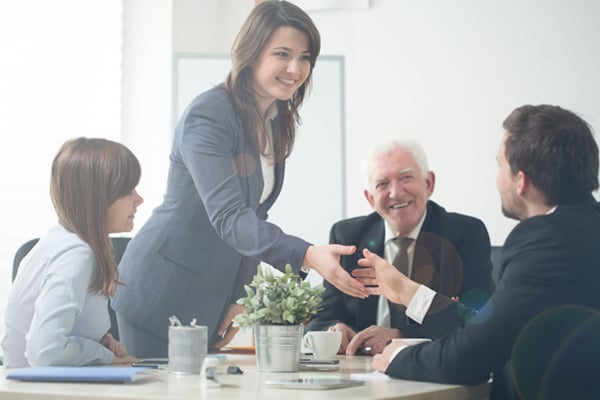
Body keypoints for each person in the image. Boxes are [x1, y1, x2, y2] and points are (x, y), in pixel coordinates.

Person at [111, 1, 367, 358]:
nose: (296, 68)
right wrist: (307, 255)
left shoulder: (275, 119)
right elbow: (229, 216)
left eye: (305, 57)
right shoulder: (210, 113)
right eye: (283, 54)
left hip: (210, 298)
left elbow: (253, 216)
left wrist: (238, 297)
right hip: (160, 292)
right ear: (251, 52)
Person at [361, 105, 600, 399]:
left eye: (499, 165)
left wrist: (397, 359)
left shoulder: (546, 241)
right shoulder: (584, 228)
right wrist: (409, 292)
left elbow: (470, 357)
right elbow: (491, 325)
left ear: (521, 180)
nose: (498, 178)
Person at [306, 138, 495, 355]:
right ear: (370, 198)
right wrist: (334, 330)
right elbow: (320, 319)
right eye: (382, 184)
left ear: (428, 183)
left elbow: (479, 322)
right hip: (361, 371)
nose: (395, 193)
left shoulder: (465, 233)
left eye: (406, 178)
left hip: (431, 369)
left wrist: (400, 336)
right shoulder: (348, 237)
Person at [1, 137, 143, 368]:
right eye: (128, 190)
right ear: (97, 198)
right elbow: (44, 353)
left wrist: (98, 343)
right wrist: (101, 353)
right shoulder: (77, 254)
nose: (139, 199)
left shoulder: (60, 241)